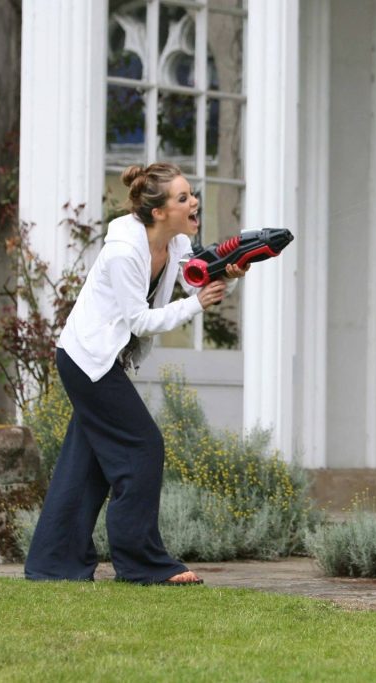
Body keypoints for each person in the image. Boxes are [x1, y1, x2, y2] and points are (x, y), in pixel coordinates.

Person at [25, 162, 247, 585]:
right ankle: (141, 564)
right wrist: (197, 305)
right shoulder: (124, 252)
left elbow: (197, 281)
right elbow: (139, 321)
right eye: (183, 197)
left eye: (191, 194)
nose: (194, 201)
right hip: (87, 360)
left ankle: (52, 564)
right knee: (143, 446)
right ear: (159, 211)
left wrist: (230, 276)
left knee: (84, 465)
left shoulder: (176, 242)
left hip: (102, 360)